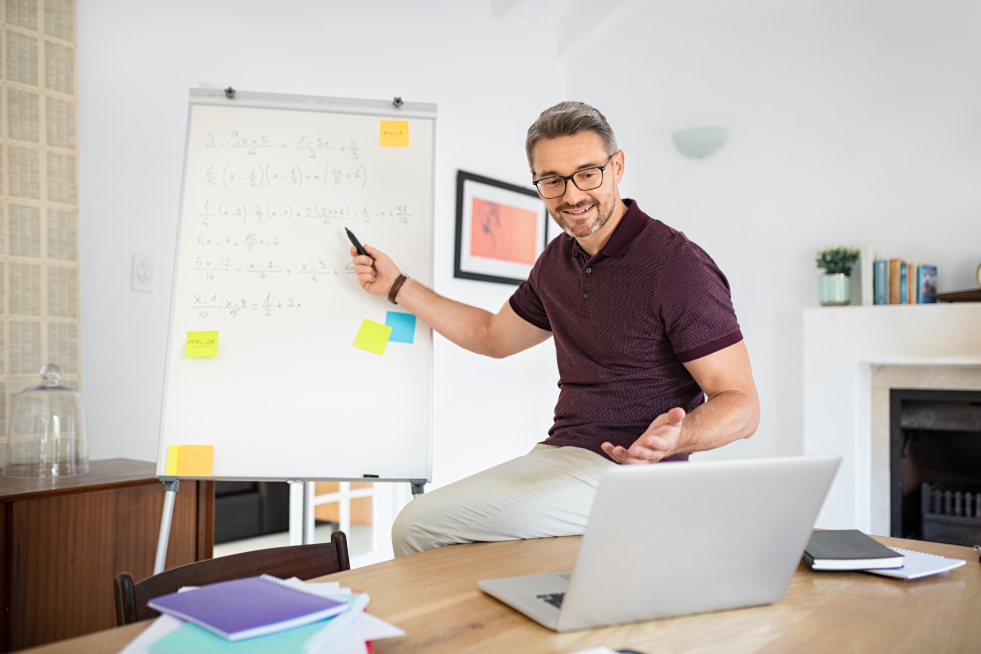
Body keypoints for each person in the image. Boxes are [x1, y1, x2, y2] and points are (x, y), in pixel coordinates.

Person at [351, 101, 760, 557]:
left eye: (588, 173)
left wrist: (677, 438)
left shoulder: (675, 265)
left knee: (416, 525)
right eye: (552, 180)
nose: (572, 195)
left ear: (617, 166)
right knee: (457, 539)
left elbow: (743, 407)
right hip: (562, 455)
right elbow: (493, 336)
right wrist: (398, 286)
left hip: (631, 474)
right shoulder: (558, 261)